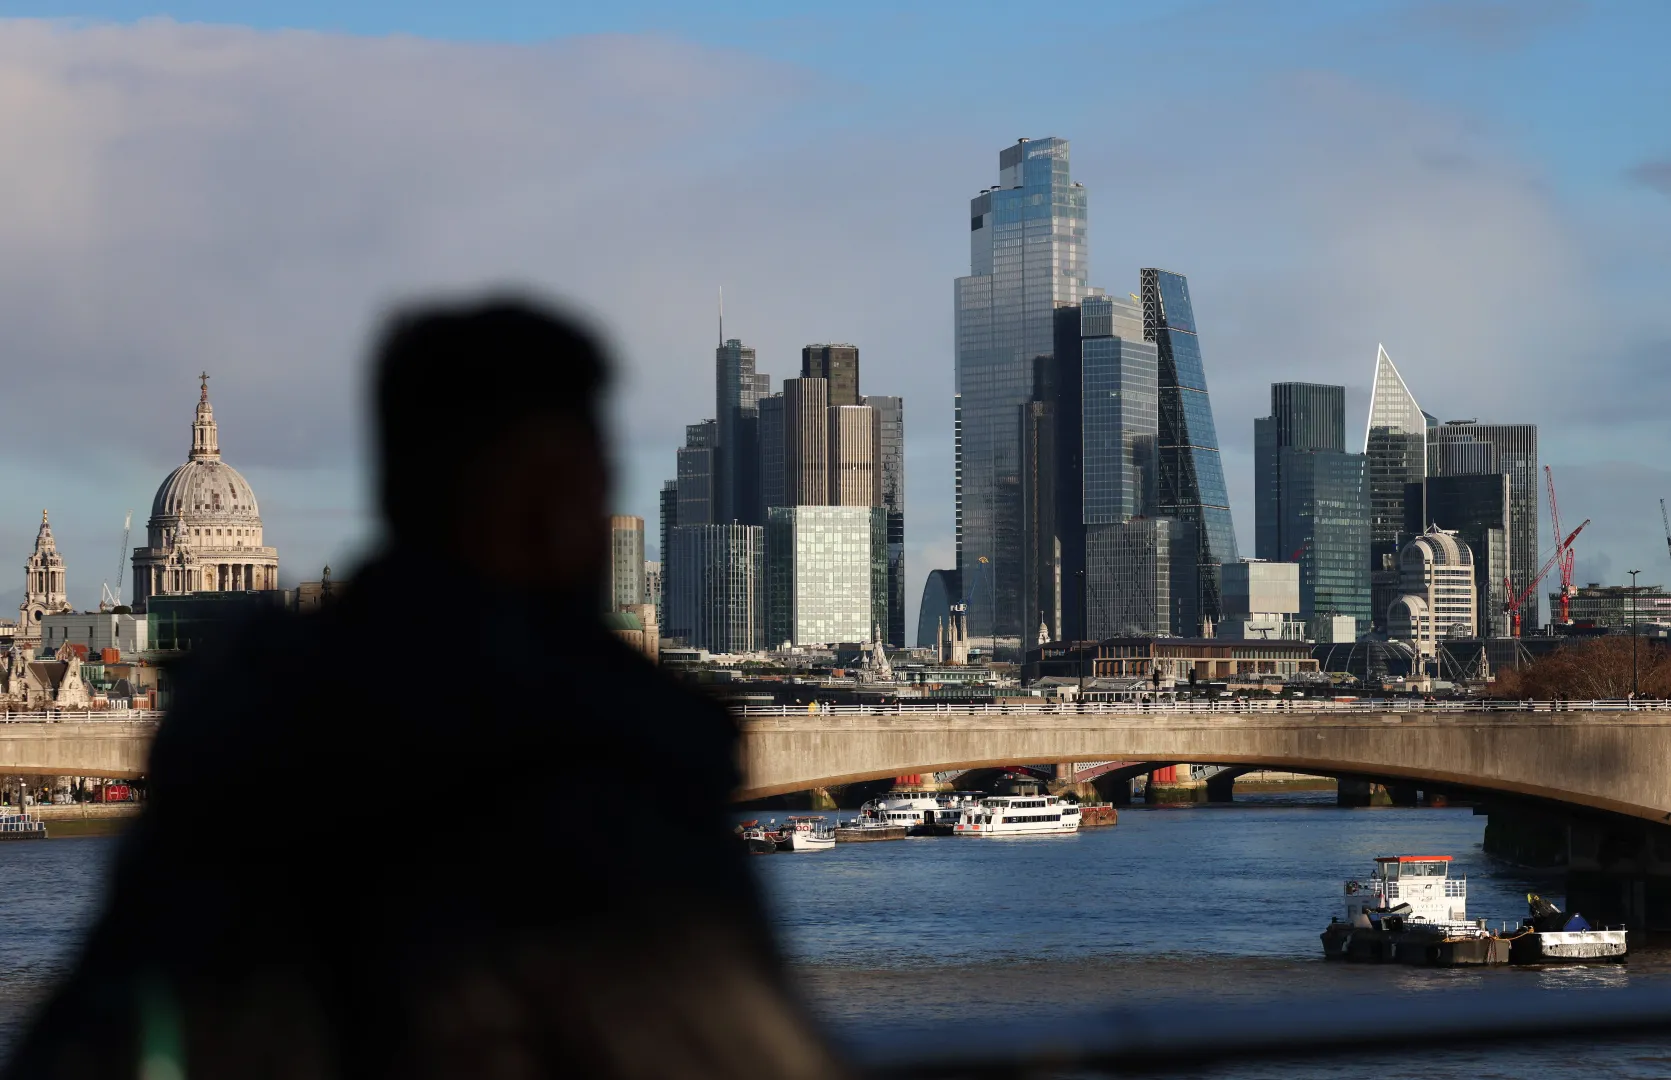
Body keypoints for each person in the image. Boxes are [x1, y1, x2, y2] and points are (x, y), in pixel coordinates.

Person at [6, 299, 845, 1080]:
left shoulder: (232, 746)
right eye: (584, 485)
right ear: (553, 503)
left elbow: (91, 1037)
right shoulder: (607, 767)